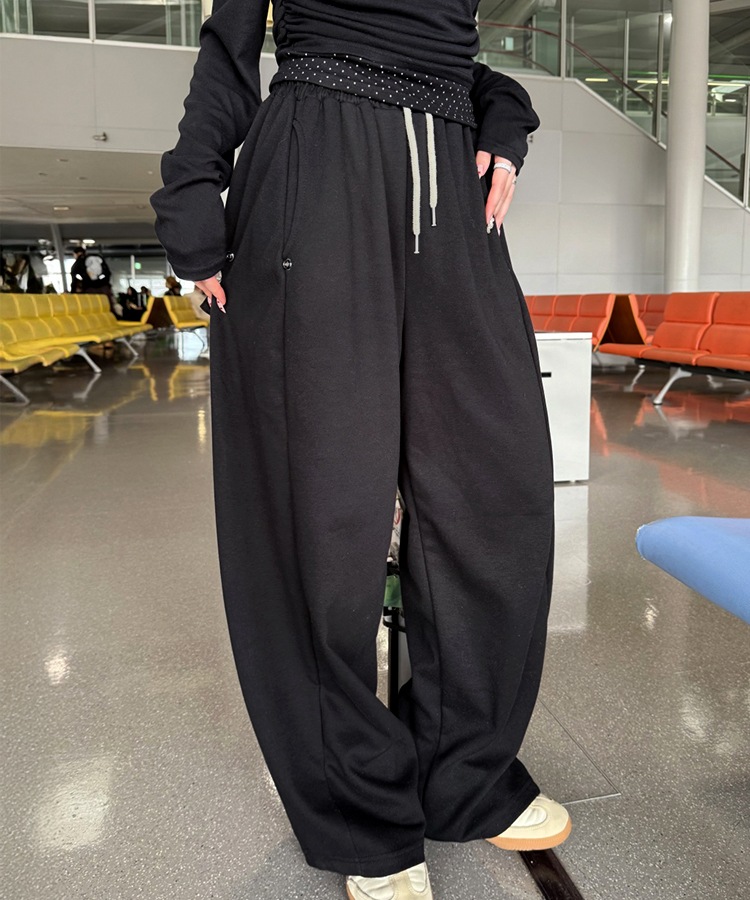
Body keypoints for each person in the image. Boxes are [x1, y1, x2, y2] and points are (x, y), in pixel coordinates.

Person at [150, 3, 568, 898]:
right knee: (321, 514)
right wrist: (191, 193)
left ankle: (463, 772)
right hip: (317, 170)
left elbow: (446, 52)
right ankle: (358, 811)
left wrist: (503, 116)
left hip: (451, 188)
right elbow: (231, 50)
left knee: (496, 495)